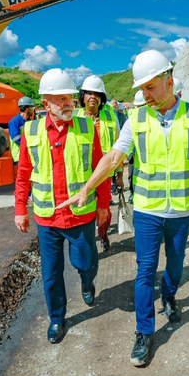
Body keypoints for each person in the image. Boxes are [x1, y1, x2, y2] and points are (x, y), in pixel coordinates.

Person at [57, 49, 189, 367]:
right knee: (145, 271)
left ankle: (168, 295)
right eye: (142, 89)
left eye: (150, 87)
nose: (146, 94)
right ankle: (144, 331)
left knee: (175, 266)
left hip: (182, 209)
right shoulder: (137, 118)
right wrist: (87, 188)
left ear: (169, 81)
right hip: (147, 209)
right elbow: (113, 158)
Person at [13, 68, 111, 344]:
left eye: (69, 97)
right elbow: (24, 173)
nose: (69, 103)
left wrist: (103, 205)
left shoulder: (86, 128)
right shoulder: (31, 131)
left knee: (86, 262)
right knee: (51, 273)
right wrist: (20, 208)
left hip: (80, 215)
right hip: (47, 217)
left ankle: (87, 281)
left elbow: (100, 170)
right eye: (61, 99)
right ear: (46, 104)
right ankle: (57, 318)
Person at [75, 75, 122, 252]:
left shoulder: (110, 115)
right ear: (83, 96)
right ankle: (86, 240)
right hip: (83, 172)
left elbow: (118, 145)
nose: (93, 97)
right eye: (89, 93)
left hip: (104, 172)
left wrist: (119, 174)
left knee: (104, 209)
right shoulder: (75, 117)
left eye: (97, 94)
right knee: (84, 207)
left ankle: (103, 234)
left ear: (102, 98)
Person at [126, 90, 147, 204]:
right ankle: (132, 193)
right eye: (138, 106)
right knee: (131, 175)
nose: (140, 109)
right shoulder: (133, 118)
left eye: (142, 106)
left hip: (146, 155)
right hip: (133, 153)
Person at [8, 96, 36, 162]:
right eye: (32, 107)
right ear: (26, 109)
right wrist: (31, 143)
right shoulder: (14, 122)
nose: (33, 110)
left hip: (29, 155)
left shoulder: (29, 121)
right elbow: (16, 139)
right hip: (19, 156)